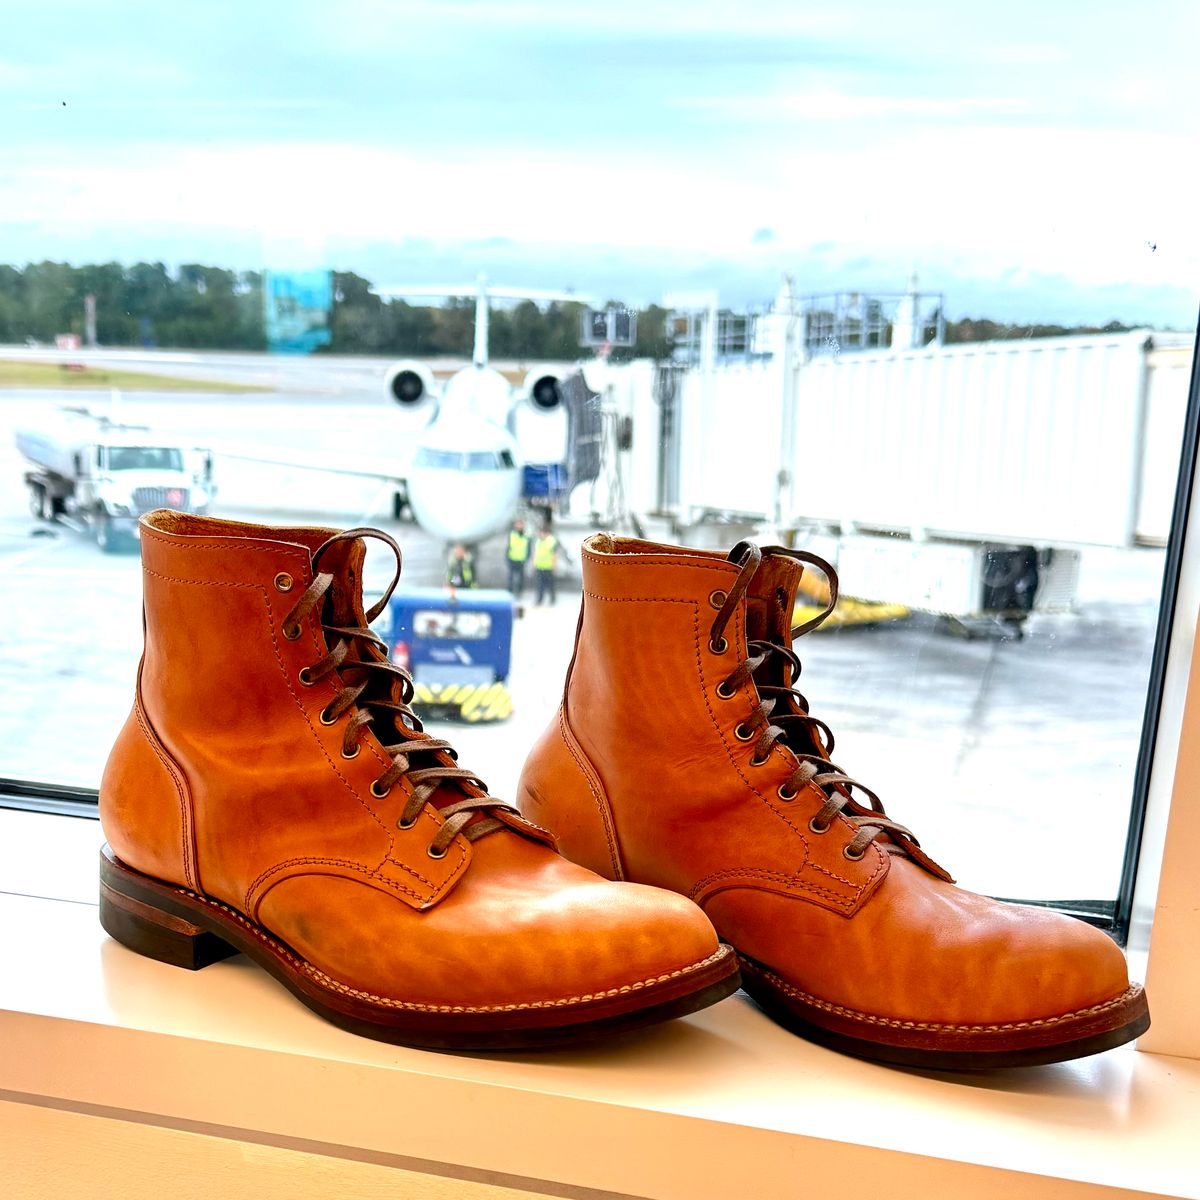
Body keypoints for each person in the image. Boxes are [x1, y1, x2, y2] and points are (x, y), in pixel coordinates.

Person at [532, 521, 569, 606]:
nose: (540, 534)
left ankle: (552, 599)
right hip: (539, 566)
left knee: (550, 585)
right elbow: (536, 553)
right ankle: (539, 600)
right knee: (539, 585)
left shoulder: (551, 541)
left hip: (549, 567)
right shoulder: (538, 541)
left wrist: (554, 566)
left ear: (546, 533)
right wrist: (534, 564)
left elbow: (554, 555)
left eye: (541, 532)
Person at [506, 517, 530, 597]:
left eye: (520, 524)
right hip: (512, 559)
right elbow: (508, 547)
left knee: (521, 578)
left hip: (521, 560)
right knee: (510, 578)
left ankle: (519, 592)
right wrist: (507, 557)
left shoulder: (526, 536)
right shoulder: (512, 534)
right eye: (517, 524)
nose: (519, 526)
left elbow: (528, 549)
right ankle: (510, 592)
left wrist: (526, 558)